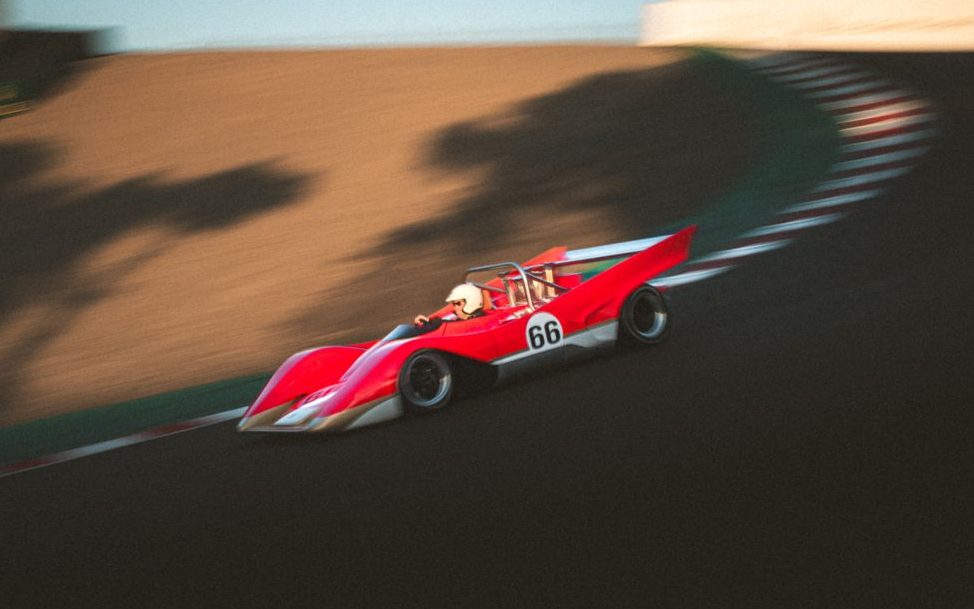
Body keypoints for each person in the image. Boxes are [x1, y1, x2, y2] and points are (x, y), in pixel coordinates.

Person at [414, 283, 485, 327]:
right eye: (454, 304)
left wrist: (430, 323)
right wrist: (428, 321)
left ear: (471, 302)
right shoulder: (464, 318)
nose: (455, 308)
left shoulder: (476, 323)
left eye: (458, 303)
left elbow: (450, 326)